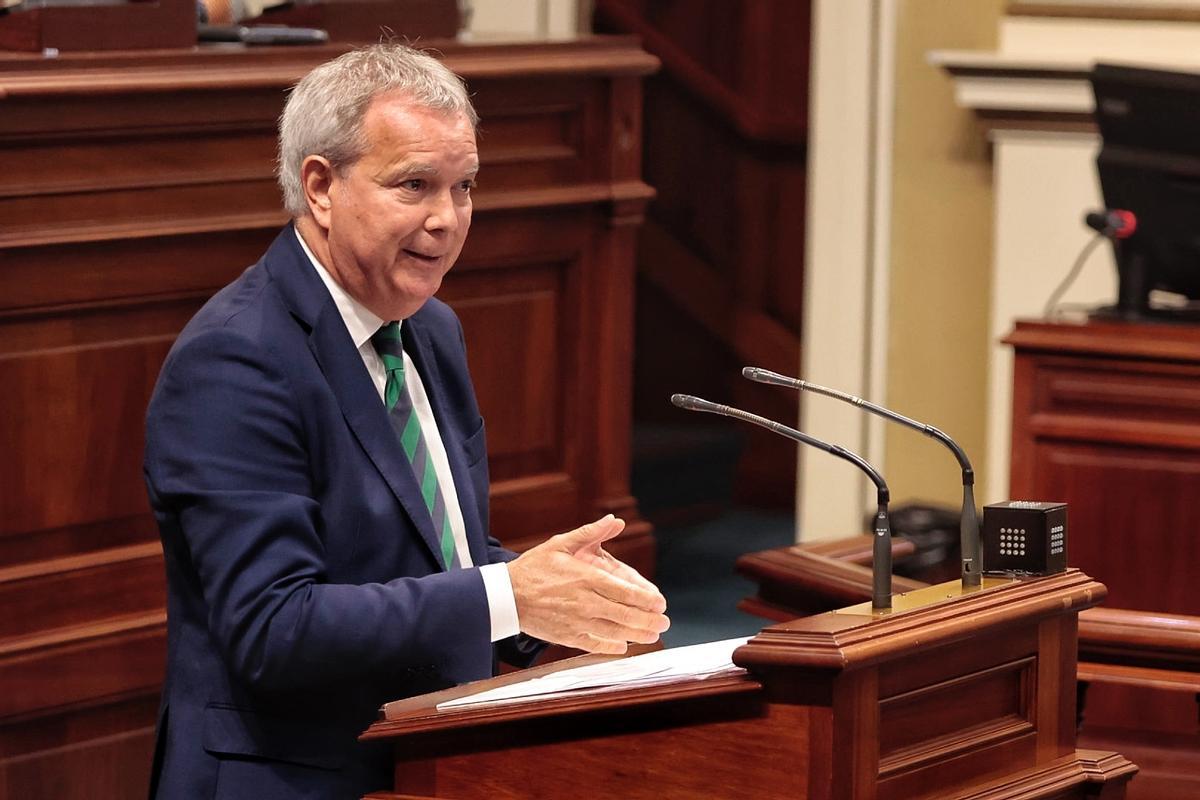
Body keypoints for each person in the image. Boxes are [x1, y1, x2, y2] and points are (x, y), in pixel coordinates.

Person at [143, 43, 669, 799]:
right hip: (293, 779)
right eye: (415, 186)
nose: (447, 221)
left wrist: (560, 611)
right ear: (320, 187)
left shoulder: (429, 329)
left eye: (464, 187)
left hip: (431, 756)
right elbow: (272, 626)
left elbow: (439, 549)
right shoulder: (235, 360)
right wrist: (510, 594)